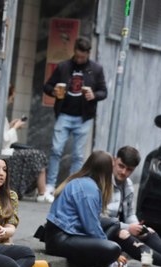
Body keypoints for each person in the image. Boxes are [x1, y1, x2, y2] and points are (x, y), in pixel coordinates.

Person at [42, 37, 107, 200]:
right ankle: (50, 185)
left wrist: (94, 95)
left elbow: (103, 91)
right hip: (64, 114)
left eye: (83, 57)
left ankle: (71, 186)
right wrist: (54, 90)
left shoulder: (96, 69)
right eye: (77, 56)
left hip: (83, 118)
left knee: (78, 155)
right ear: (74, 51)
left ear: (88, 54)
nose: (79, 60)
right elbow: (47, 86)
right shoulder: (64, 66)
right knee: (56, 150)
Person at [44, 151, 122, 267]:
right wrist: (108, 249)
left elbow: (92, 222)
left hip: (69, 232)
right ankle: (94, 263)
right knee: (114, 248)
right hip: (60, 238)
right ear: (106, 170)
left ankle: (93, 260)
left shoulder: (84, 181)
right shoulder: (88, 187)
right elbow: (91, 227)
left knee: (114, 223)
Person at [106, 146, 161, 267]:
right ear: (114, 160)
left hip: (118, 227)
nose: (123, 172)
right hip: (105, 230)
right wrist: (128, 228)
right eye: (121, 166)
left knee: (149, 232)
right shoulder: (104, 181)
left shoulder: (128, 184)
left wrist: (137, 227)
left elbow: (129, 214)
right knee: (127, 235)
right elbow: (101, 219)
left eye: (129, 170)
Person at [0, 85, 52, 202]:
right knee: (37, 156)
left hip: (6, 151)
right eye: (11, 98)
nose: (11, 101)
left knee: (38, 155)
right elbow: (4, 139)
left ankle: (42, 192)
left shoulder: (2, 114)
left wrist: (12, 126)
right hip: (3, 153)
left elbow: (5, 136)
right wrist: (15, 127)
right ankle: (42, 193)